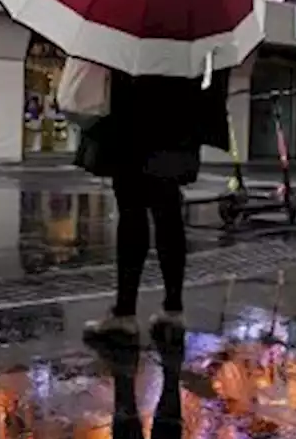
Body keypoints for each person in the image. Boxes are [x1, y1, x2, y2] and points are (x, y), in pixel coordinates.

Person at [79, 68, 230, 342]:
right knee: (168, 211)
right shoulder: (189, 31)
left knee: (132, 211)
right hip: (178, 123)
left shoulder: (133, 34)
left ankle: (124, 312)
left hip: (132, 122)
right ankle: (173, 309)